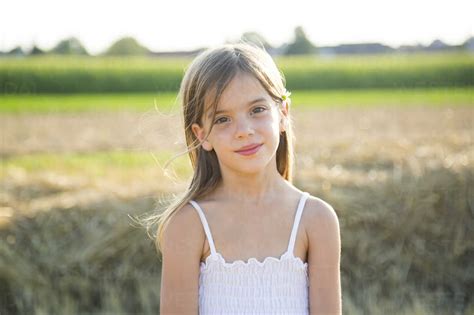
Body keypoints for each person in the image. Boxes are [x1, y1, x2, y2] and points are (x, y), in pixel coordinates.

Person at [153, 42, 341, 314]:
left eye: (257, 110)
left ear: (283, 114)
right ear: (201, 135)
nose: (244, 130)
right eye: (222, 119)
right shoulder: (187, 225)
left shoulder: (316, 219)